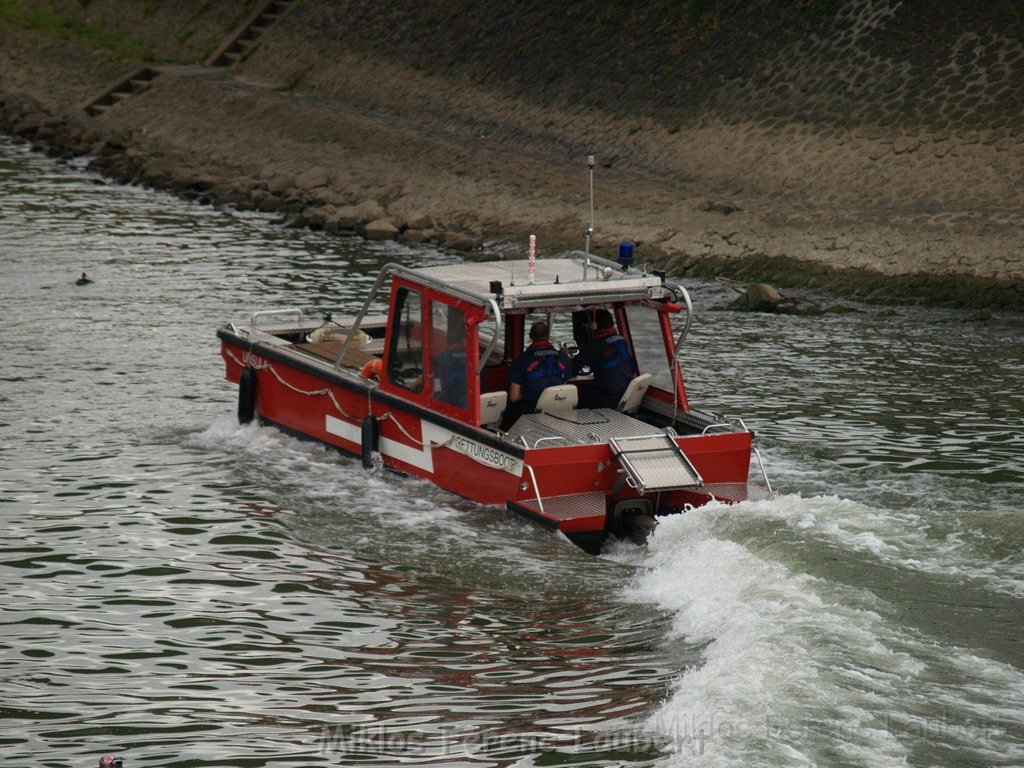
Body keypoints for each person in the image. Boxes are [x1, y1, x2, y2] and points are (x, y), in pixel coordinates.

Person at [504, 320, 572, 424]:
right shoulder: (562, 357)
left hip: (532, 411)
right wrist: (565, 356)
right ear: (548, 336)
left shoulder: (520, 361)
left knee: (509, 409)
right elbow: (564, 383)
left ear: (530, 336)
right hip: (558, 410)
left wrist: (529, 393)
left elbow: (514, 397)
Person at [570, 309, 637, 409]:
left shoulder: (594, 346)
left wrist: (564, 356)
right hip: (625, 393)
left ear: (594, 326)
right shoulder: (623, 341)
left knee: (576, 394)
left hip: (607, 397)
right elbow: (632, 367)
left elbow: (573, 368)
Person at [432, 322, 468, 408]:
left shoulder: (446, 355)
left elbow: (444, 380)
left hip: (457, 402)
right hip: (474, 397)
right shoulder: (476, 357)